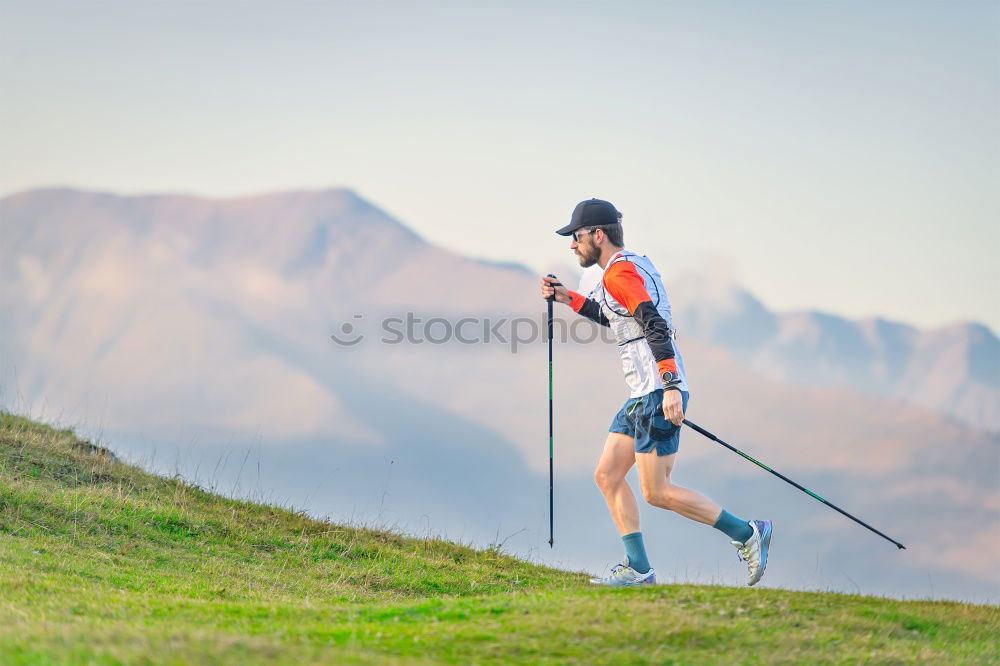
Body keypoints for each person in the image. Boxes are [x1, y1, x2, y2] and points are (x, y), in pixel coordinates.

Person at [540, 198, 772, 587]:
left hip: (656, 392)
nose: (572, 245)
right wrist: (568, 298)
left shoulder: (619, 275)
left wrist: (670, 386)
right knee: (607, 475)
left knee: (657, 491)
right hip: (642, 394)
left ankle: (748, 533)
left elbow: (655, 325)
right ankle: (638, 569)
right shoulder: (626, 268)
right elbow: (615, 316)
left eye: (577, 236)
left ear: (598, 234)